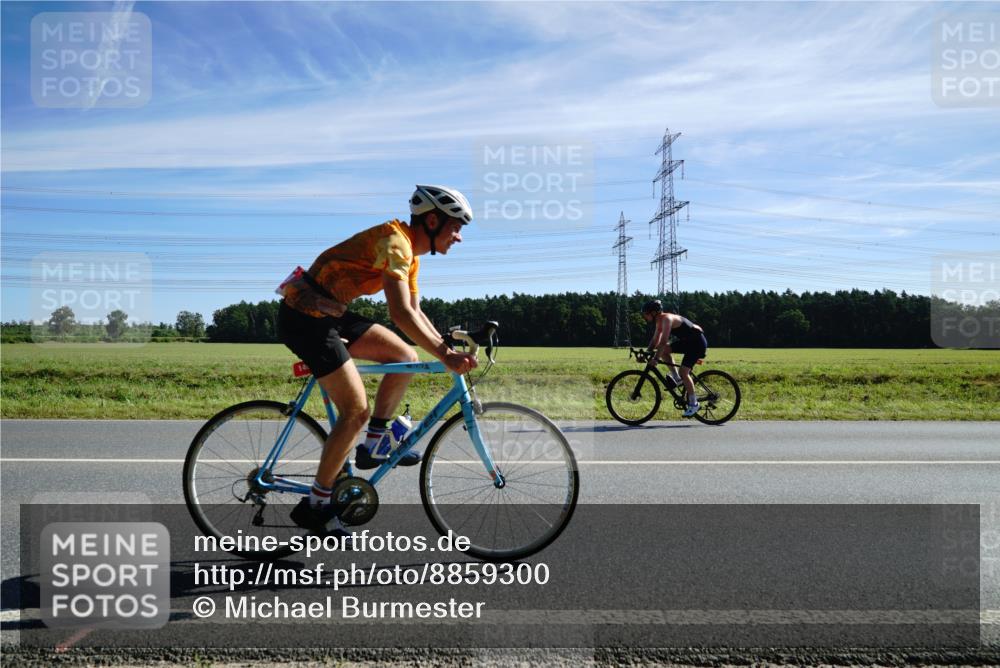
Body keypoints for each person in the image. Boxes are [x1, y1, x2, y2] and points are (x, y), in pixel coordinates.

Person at [277, 185, 479, 533]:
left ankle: (374, 444)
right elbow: (400, 313)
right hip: (304, 316)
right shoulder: (396, 243)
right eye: (455, 227)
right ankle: (317, 503)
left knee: (404, 355)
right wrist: (445, 355)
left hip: (331, 313)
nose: (458, 237)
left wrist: (443, 343)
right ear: (432, 221)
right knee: (354, 412)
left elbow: (415, 310)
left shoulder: (410, 254)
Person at [641, 299, 707, 417]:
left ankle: (694, 403)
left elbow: (662, 341)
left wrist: (655, 359)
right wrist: (647, 353)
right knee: (665, 351)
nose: (644, 317)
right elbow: (655, 340)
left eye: (645, 314)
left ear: (653, 313)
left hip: (697, 343)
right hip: (688, 342)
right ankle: (677, 378)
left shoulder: (667, 319)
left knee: (684, 372)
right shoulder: (659, 322)